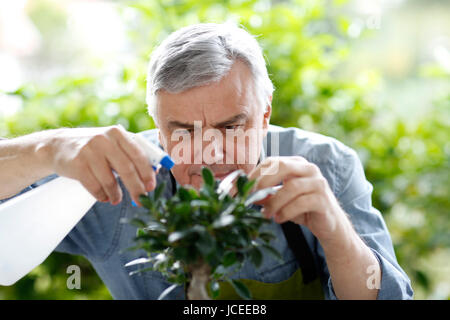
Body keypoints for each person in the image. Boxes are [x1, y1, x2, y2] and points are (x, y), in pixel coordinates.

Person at [0, 23, 413, 300]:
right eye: (182, 131)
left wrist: (335, 230)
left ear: (265, 112)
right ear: (156, 129)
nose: (210, 152)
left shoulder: (327, 164)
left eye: (232, 127)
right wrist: (47, 149)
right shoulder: (117, 179)